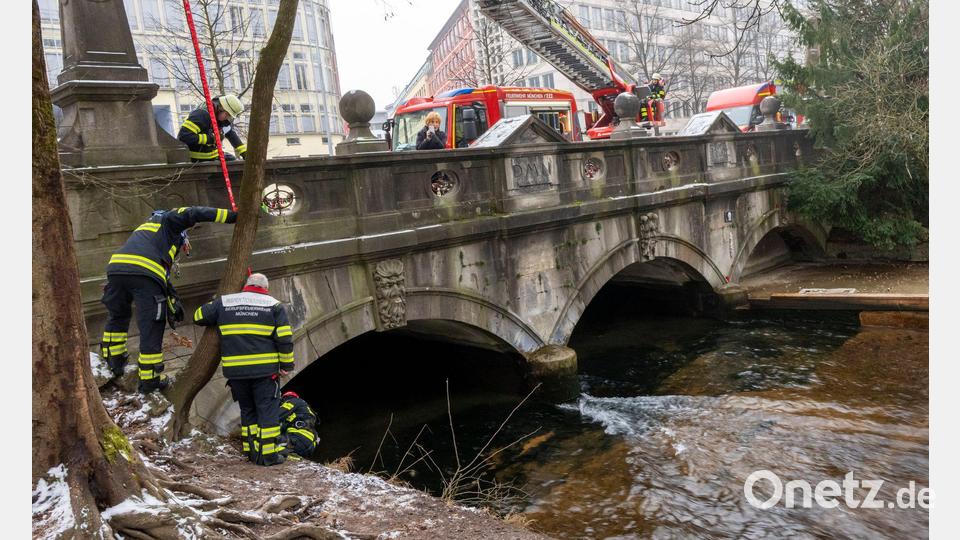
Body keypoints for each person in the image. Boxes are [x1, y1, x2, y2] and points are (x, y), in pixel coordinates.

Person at [101, 206, 237, 394]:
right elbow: (193, 212)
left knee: (118, 316)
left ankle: (113, 363)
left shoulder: (145, 230)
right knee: (151, 324)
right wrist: (232, 216)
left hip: (116, 270)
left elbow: (156, 269)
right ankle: (150, 379)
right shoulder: (168, 219)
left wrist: (170, 293)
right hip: (144, 273)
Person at [193, 273, 295, 466]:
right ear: (265, 288)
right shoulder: (273, 305)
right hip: (265, 372)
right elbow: (284, 339)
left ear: (246, 285)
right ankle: (268, 456)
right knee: (267, 411)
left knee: (248, 410)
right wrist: (286, 365)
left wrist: (215, 302)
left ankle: (252, 452)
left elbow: (198, 316)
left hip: (236, 372)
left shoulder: (225, 302)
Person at [178, 94, 248, 162]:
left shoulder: (219, 118)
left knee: (232, 159)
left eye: (230, 116)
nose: (227, 118)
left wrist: (244, 153)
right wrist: (211, 139)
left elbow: (231, 135)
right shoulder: (201, 115)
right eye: (227, 114)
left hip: (214, 155)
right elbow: (184, 136)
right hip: (199, 158)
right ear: (221, 108)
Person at [278, 391, 319, 460]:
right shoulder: (306, 410)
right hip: (309, 445)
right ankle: (291, 455)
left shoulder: (293, 401)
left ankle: (286, 453)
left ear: (286, 398)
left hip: (298, 439)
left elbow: (276, 415)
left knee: (269, 442)